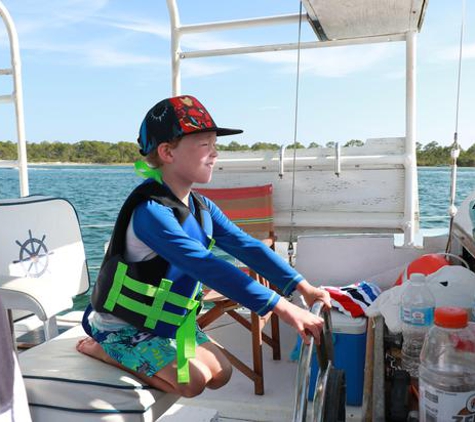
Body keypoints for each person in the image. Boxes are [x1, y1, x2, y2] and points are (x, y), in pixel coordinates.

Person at [77, 95, 331, 398]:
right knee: (193, 383)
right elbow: (205, 265)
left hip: (170, 323)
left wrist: (302, 287)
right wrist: (283, 308)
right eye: (204, 145)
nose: (215, 154)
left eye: (215, 145)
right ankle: (103, 350)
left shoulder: (202, 207)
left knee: (221, 374)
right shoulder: (150, 213)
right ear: (167, 152)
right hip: (124, 328)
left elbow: (246, 246)